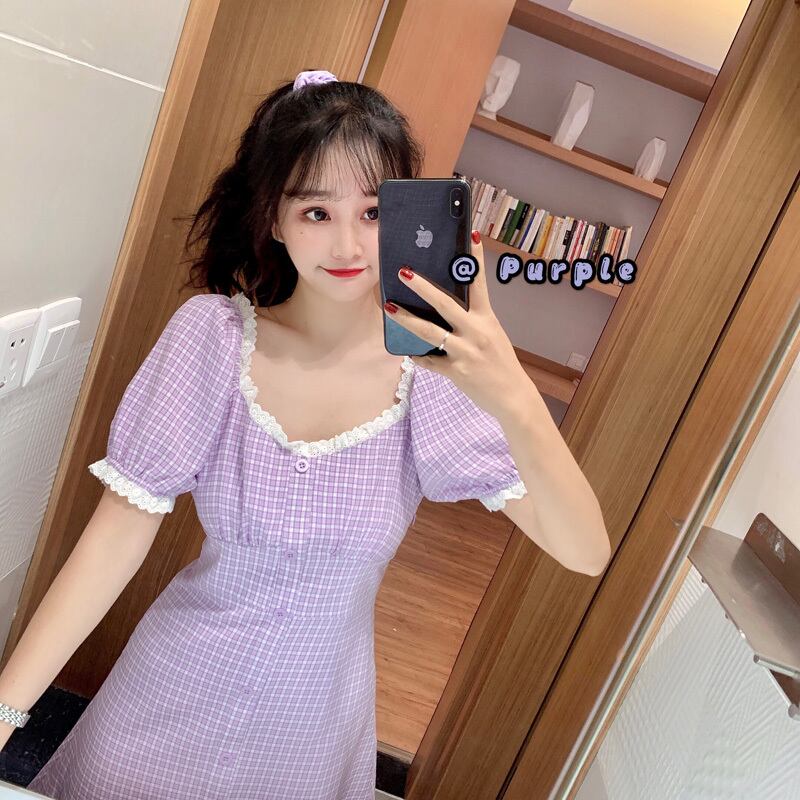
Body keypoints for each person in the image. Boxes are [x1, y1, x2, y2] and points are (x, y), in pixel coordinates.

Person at [2, 70, 610, 799]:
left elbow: (585, 552)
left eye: (373, 211)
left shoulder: (430, 379)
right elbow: (113, 542)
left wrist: (512, 389)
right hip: (165, 703)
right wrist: (4, 713)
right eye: (316, 211)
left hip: (311, 736)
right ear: (273, 218)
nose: (348, 243)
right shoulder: (212, 338)